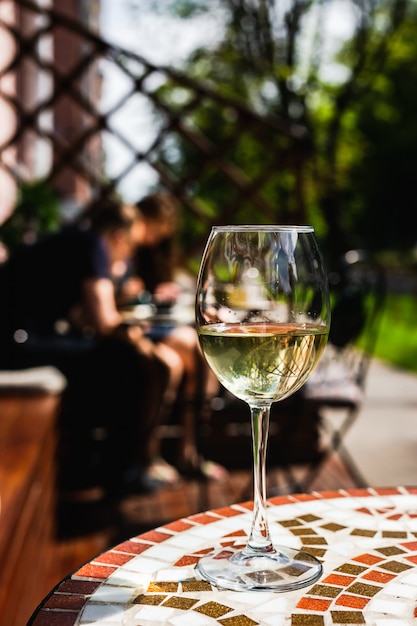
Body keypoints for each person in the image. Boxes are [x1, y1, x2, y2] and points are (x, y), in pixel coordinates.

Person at [0, 197, 185, 497]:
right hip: (14, 343)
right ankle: (120, 473)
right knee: (126, 362)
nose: (129, 255)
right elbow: (104, 322)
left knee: (110, 357)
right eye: (129, 247)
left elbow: (80, 318)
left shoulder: (74, 241)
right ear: (118, 237)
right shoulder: (94, 246)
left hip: (19, 337)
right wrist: (135, 332)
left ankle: (93, 462)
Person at [116, 192, 227, 482]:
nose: (154, 237)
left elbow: (157, 292)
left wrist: (163, 292)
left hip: (155, 326)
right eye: (153, 228)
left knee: (200, 352)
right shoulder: (122, 248)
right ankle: (151, 453)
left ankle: (191, 449)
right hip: (134, 331)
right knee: (174, 362)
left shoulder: (155, 254)